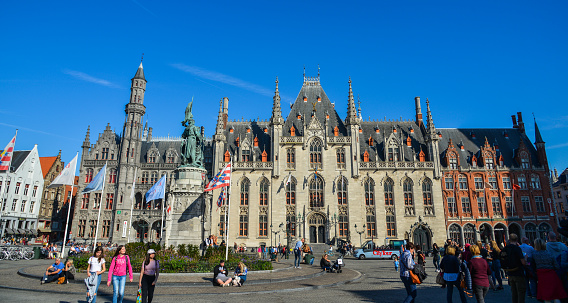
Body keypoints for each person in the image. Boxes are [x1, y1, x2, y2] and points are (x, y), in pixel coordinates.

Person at [529, 238, 567, 302]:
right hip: (551, 274)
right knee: (556, 295)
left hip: (541, 275)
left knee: (546, 296)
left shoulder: (533, 254)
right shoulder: (549, 253)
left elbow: (531, 265)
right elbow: (556, 266)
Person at [501, 234, 527, 303]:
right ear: (517, 240)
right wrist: (526, 258)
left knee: (514, 293)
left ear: (509, 240)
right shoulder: (517, 248)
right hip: (518, 272)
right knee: (521, 292)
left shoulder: (505, 248)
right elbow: (523, 262)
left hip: (509, 273)